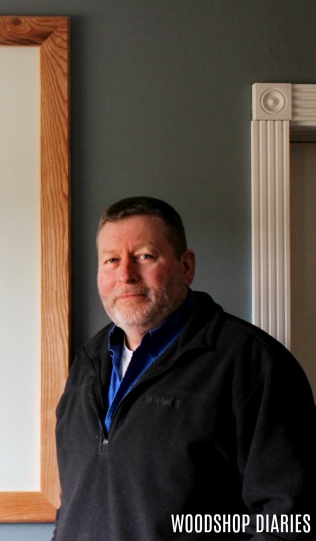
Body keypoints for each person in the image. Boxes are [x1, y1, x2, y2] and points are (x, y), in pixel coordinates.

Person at [53, 196, 315, 540]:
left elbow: (289, 521)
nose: (126, 275)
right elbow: (77, 499)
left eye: (145, 256)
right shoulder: (88, 363)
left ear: (186, 266)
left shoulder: (254, 364)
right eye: (111, 260)